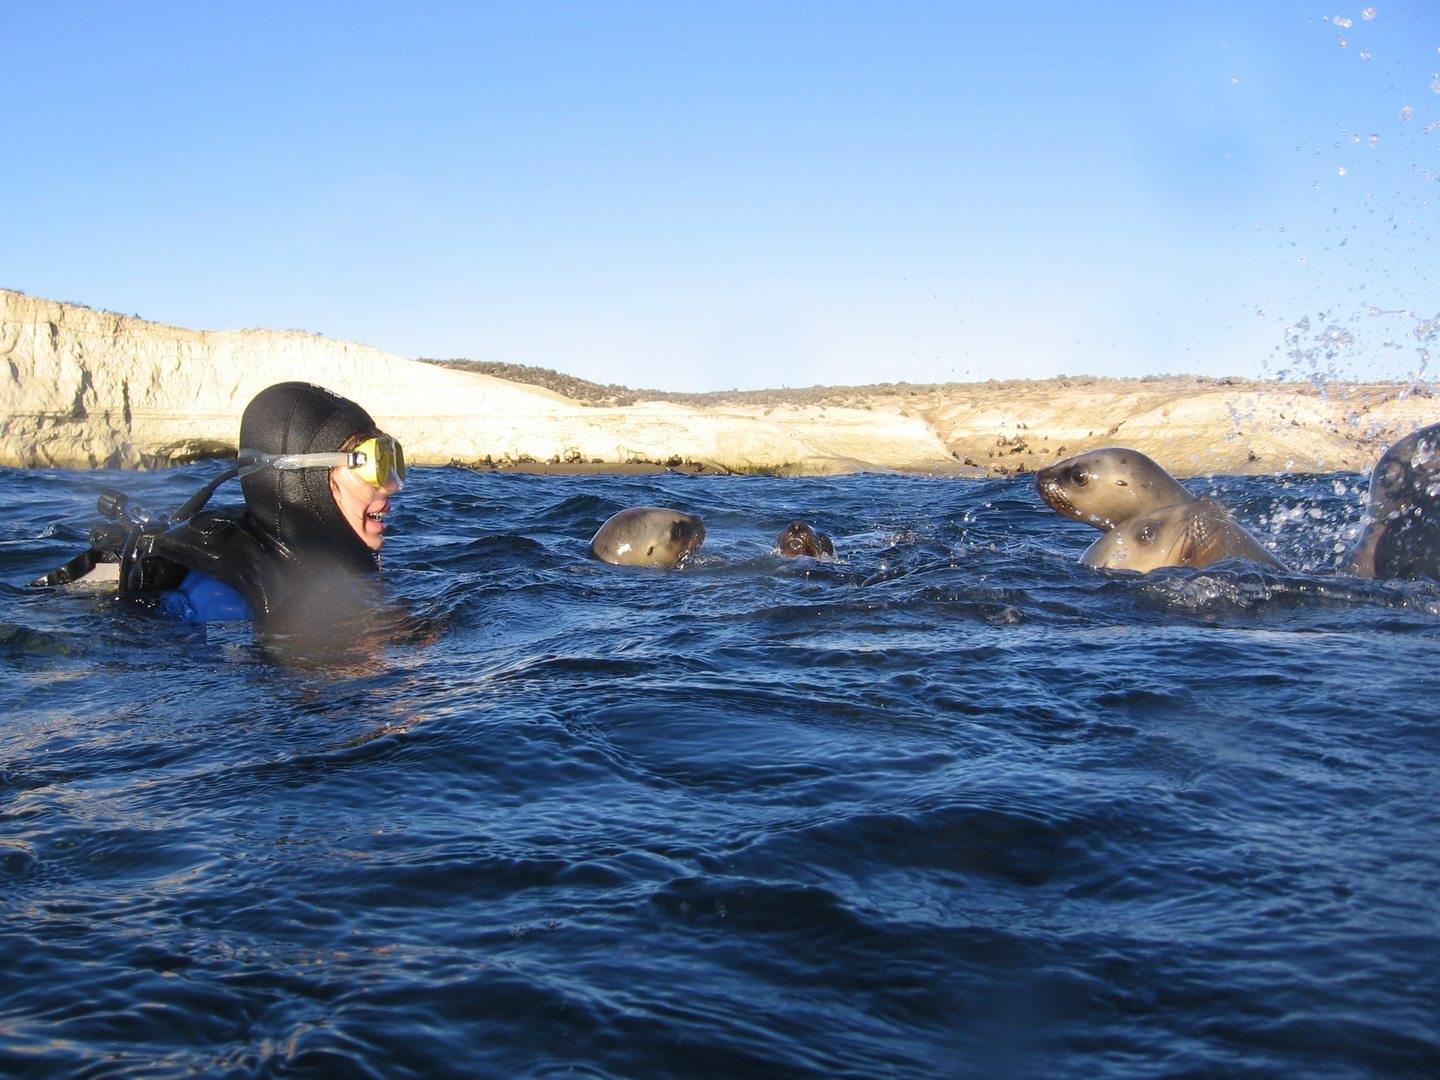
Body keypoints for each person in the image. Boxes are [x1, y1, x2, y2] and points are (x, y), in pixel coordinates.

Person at [33, 382, 405, 631]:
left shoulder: (318, 561)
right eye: (374, 464)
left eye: (394, 463)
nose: (390, 487)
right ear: (298, 478)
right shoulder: (219, 602)